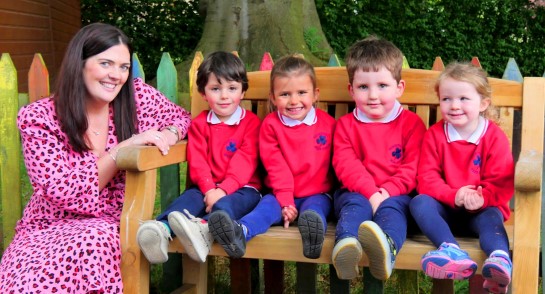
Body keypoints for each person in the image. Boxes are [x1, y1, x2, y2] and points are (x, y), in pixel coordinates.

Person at [0, 23, 190, 293]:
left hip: (112, 224)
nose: (116, 75)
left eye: (123, 67)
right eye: (106, 63)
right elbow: (64, 192)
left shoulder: (137, 98)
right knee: (26, 281)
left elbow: (182, 118)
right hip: (48, 227)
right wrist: (120, 151)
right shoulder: (40, 118)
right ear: (80, 64)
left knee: (95, 240)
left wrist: (168, 135)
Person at [136, 51, 262, 264]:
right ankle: (161, 229)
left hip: (244, 188)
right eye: (215, 89)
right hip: (207, 187)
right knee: (188, 199)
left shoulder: (251, 123)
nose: (224, 96)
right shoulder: (200, 124)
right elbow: (198, 160)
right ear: (203, 93)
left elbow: (246, 161)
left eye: (232, 88)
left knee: (229, 205)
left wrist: (223, 190)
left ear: (242, 92)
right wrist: (209, 189)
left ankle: (203, 229)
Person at [208, 55, 335, 259]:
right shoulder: (271, 126)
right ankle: (240, 232)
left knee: (315, 210)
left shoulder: (328, 125)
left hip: (318, 192)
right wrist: (285, 202)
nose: (294, 101)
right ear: (273, 98)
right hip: (279, 192)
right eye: (285, 94)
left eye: (302, 92)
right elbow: (275, 166)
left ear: (315, 94)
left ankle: (313, 235)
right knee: (265, 209)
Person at [410, 62, 514, 293]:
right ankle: (451, 251)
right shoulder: (435, 135)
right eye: (447, 99)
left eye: (463, 99)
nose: (454, 105)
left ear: (483, 103)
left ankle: (499, 260)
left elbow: (502, 181)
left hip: (482, 211)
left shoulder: (494, 137)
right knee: (419, 201)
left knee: (491, 219)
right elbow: (426, 177)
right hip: (447, 211)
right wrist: (454, 195)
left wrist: (482, 197)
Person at [331, 36, 426, 281]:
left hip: (397, 194)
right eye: (364, 87)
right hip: (356, 192)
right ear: (352, 90)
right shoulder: (345, 126)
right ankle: (346, 246)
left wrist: (387, 192)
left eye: (382, 85)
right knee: (354, 205)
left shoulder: (412, 124)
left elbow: (414, 167)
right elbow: (346, 165)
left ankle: (387, 249)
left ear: (399, 88)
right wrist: (371, 193)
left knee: (395, 209)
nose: (373, 95)